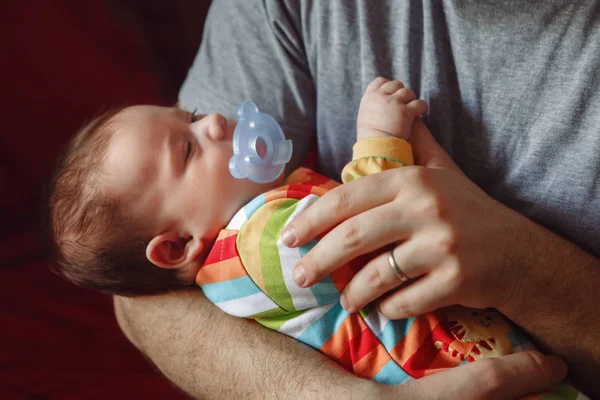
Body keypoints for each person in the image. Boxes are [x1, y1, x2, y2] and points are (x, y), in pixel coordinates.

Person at [114, 0, 600, 398]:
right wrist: (378, 141)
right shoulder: (256, 244)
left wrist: (527, 270)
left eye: (193, 115)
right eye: (188, 146)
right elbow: (367, 232)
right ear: (176, 247)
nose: (214, 121)